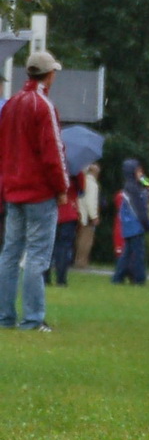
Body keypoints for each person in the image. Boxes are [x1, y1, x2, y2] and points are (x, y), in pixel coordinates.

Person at [0, 50, 70, 331]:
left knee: (10, 253)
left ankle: (4, 316)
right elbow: (53, 152)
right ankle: (32, 318)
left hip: (13, 187)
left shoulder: (11, 104)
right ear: (49, 75)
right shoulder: (43, 105)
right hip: (39, 191)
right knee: (37, 256)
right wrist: (62, 187)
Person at [112, 159, 149, 284]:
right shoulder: (133, 188)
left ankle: (118, 277)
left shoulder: (130, 186)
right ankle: (139, 278)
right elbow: (139, 208)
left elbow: (148, 186)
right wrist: (146, 224)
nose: (141, 173)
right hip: (136, 224)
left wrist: (144, 180)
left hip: (129, 225)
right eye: (139, 170)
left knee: (127, 253)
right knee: (137, 253)